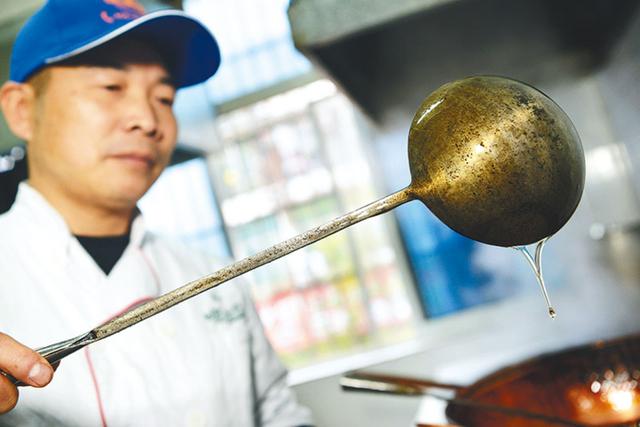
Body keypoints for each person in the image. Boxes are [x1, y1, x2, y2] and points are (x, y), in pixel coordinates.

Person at [0, 0, 313, 425]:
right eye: (110, 87)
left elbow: (279, 416)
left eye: (164, 97)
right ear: (22, 110)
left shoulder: (213, 280)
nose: (148, 119)